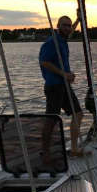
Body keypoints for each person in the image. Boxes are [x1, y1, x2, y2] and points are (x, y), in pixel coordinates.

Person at [39, 10, 85, 157]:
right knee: (52, 119)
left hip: (64, 86)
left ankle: (74, 149)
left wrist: (78, 19)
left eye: (69, 26)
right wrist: (64, 74)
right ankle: (45, 152)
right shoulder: (52, 42)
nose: (68, 28)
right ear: (58, 26)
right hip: (54, 86)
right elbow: (44, 62)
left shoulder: (63, 39)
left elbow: (70, 31)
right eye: (64, 25)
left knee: (78, 114)